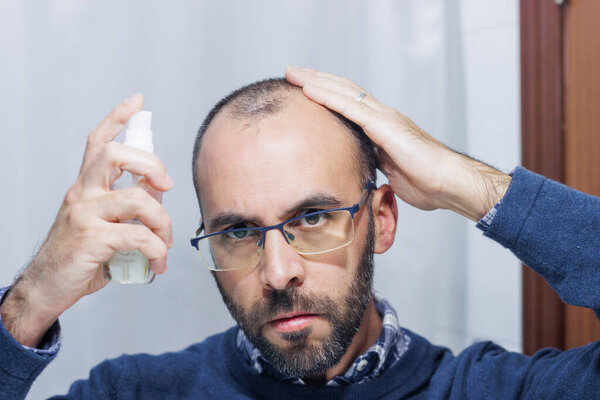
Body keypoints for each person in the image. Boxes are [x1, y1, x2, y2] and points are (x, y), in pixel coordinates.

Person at [0, 66, 599, 399]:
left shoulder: (491, 392)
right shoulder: (136, 393)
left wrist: (467, 183)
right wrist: (29, 303)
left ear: (381, 219)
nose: (278, 272)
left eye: (312, 218)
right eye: (237, 231)